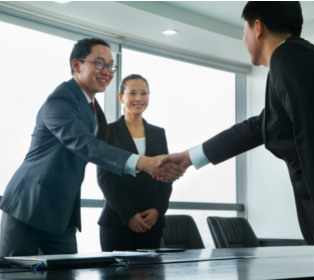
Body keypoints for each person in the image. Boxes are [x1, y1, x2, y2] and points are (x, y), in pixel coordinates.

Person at [0, 38, 185, 257]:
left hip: (61, 218)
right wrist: (143, 162)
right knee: (17, 274)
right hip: (28, 208)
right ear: (76, 65)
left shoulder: (94, 109)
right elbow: (85, 145)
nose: (106, 71)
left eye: (110, 66)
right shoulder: (60, 100)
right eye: (98, 64)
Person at [158, 1, 314, 245]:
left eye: (242, 30)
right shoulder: (296, 58)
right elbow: (259, 127)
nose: (243, 40)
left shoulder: (289, 59)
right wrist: (189, 156)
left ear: (257, 27)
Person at [97, 74, 172, 251]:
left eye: (143, 93)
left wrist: (157, 210)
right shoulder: (108, 131)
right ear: (121, 97)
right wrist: (128, 215)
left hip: (151, 222)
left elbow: (167, 175)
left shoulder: (158, 133)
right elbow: (104, 178)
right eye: (132, 93)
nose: (139, 98)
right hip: (117, 221)